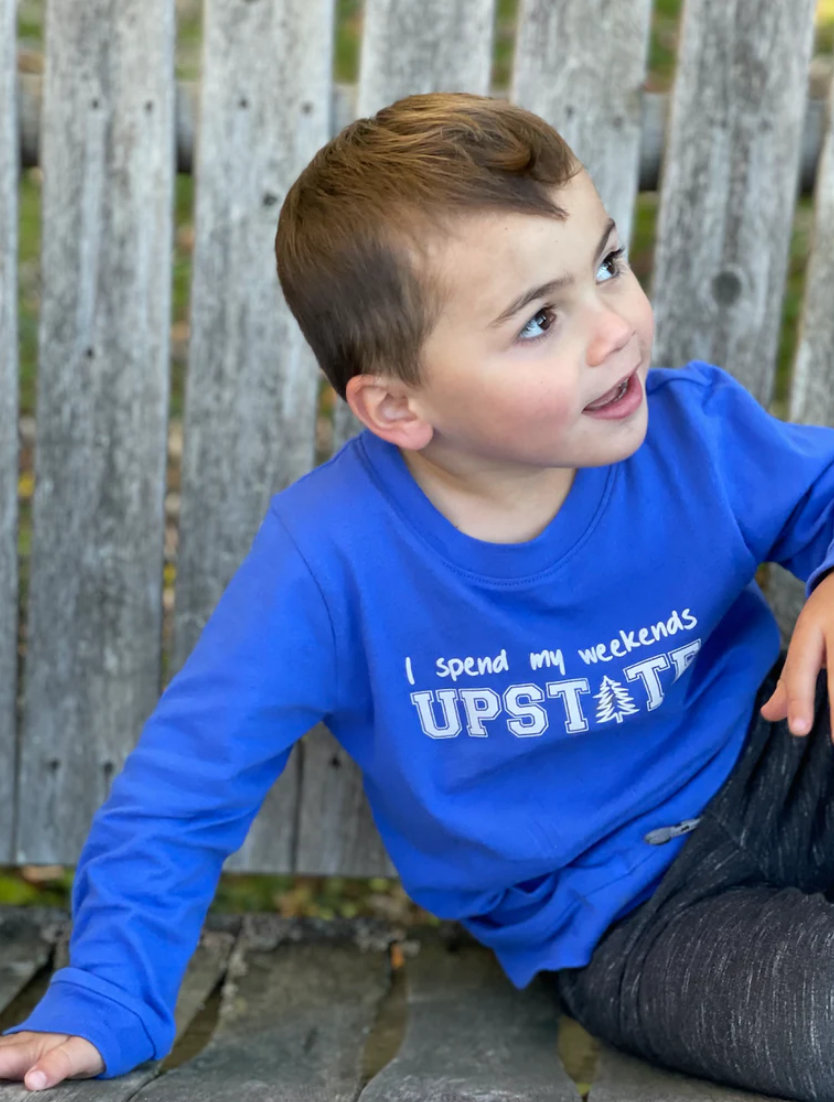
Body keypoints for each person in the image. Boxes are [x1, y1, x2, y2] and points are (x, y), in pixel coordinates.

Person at [2, 91, 834, 1101]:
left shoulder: (694, 435)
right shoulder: (329, 558)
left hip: (786, 760)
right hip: (625, 916)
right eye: (539, 320)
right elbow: (186, 786)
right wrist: (103, 994)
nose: (615, 331)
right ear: (397, 405)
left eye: (608, 264)